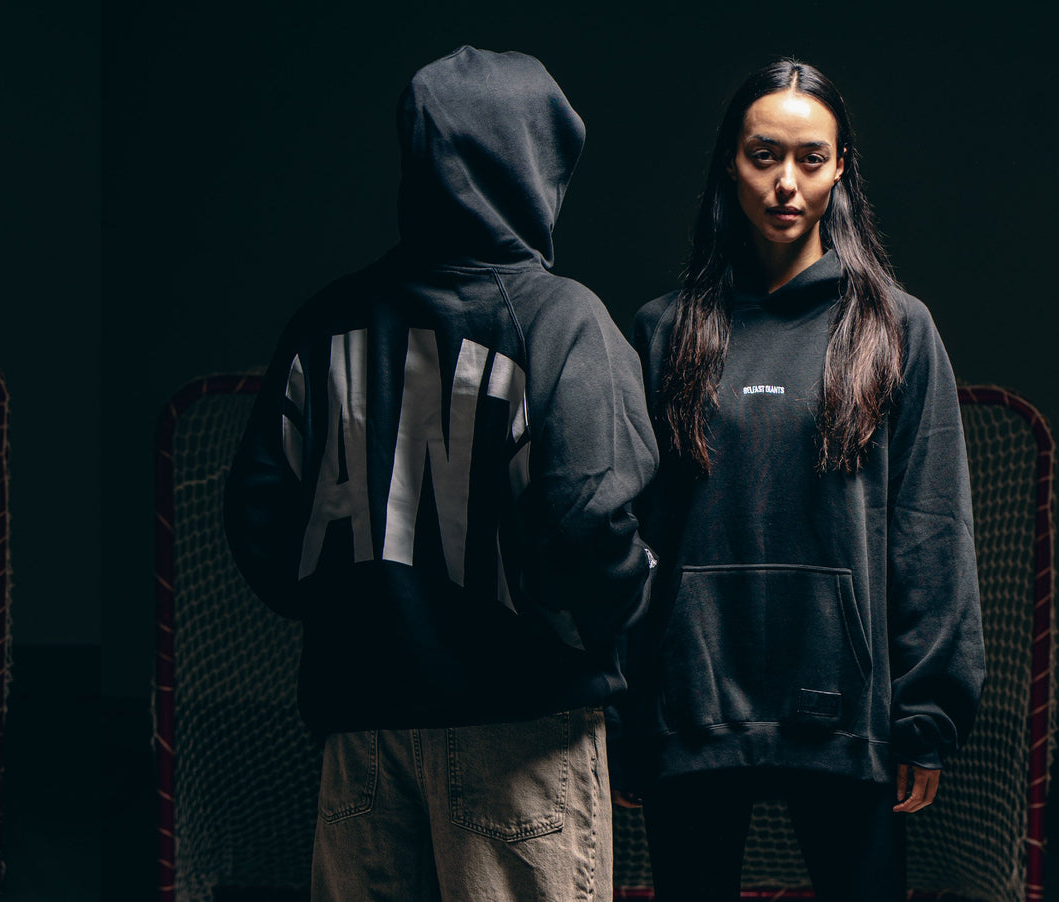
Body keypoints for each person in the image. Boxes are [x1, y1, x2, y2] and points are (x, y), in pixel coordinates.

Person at [225, 47, 657, 902]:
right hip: (522, 732)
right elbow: (593, 524)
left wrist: (362, 612)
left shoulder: (326, 321)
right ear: (537, 161)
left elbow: (258, 519)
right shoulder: (563, 321)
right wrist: (606, 624)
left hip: (360, 730)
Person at [615, 59, 985, 900]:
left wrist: (926, 716)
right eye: (764, 155)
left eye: (811, 158)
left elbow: (932, 532)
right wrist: (624, 707)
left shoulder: (897, 329)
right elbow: (639, 538)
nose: (787, 182)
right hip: (693, 709)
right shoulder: (663, 332)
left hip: (846, 712)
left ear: (840, 167)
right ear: (730, 163)